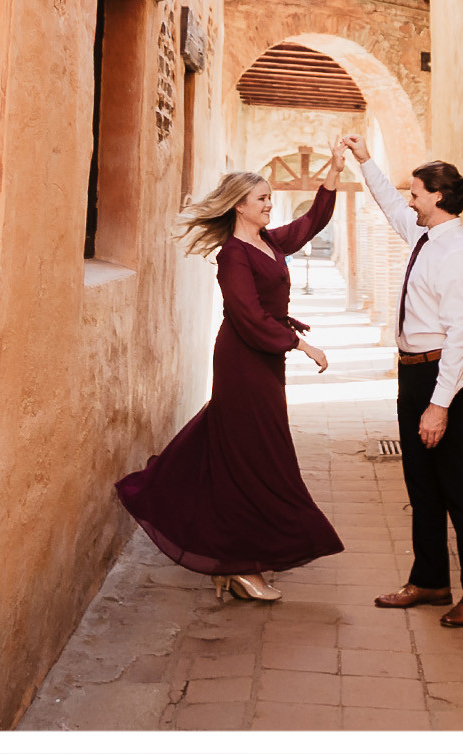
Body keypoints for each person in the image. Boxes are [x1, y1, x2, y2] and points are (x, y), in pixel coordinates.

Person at [114, 154, 346, 602]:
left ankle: (230, 553)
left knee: (238, 447)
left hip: (263, 361)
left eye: (270, 199)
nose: (269, 206)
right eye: (262, 198)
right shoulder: (233, 255)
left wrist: (333, 170)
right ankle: (241, 562)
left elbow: (312, 221)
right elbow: (249, 317)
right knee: (255, 457)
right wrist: (302, 345)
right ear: (239, 204)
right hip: (243, 360)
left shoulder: (269, 243)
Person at [341, 132, 463, 627]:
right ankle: (429, 579)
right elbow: (390, 205)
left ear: (438, 197)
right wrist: (365, 160)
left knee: (460, 486)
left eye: (416, 193)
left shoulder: (455, 252)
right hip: (413, 374)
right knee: (422, 484)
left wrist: (439, 405)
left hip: (440, 375)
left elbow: (460, 336)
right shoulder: (425, 235)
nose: (409, 200)